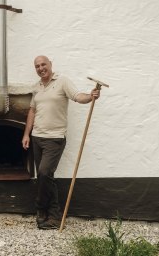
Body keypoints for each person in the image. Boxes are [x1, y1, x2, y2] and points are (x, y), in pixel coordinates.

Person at [21, 55, 101, 230]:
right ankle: (54, 216)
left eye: (43, 64)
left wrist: (91, 96)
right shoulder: (36, 87)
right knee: (46, 177)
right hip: (36, 137)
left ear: (50, 65)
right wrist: (26, 134)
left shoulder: (62, 81)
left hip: (55, 138)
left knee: (43, 173)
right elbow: (32, 111)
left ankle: (41, 209)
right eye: (37, 66)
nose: (41, 68)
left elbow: (78, 97)